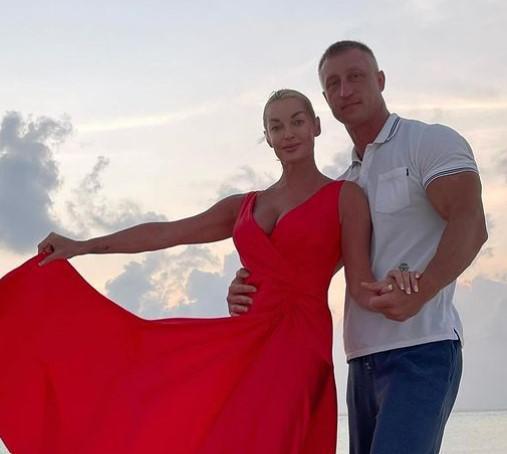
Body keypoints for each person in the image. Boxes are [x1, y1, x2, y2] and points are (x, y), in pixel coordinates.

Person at [0, 89, 412, 454]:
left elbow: (360, 285)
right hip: (241, 344)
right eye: (276, 126)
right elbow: (168, 233)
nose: (288, 133)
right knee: (168, 397)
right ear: (267, 137)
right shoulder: (243, 205)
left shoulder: (345, 197)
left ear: (316, 126)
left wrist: (408, 282)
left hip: (300, 347)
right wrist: (82, 246)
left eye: (297, 122)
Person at [227, 42, 488, 454]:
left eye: (355, 77)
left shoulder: (428, 142)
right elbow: (304, 269)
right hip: (360, 359)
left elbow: (471, 223)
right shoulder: (343, 186)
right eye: (333, 83)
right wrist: (249, 285)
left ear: (380, 80)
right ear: (326, 99)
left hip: (422, 349)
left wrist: (423, 288)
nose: (345, 90)